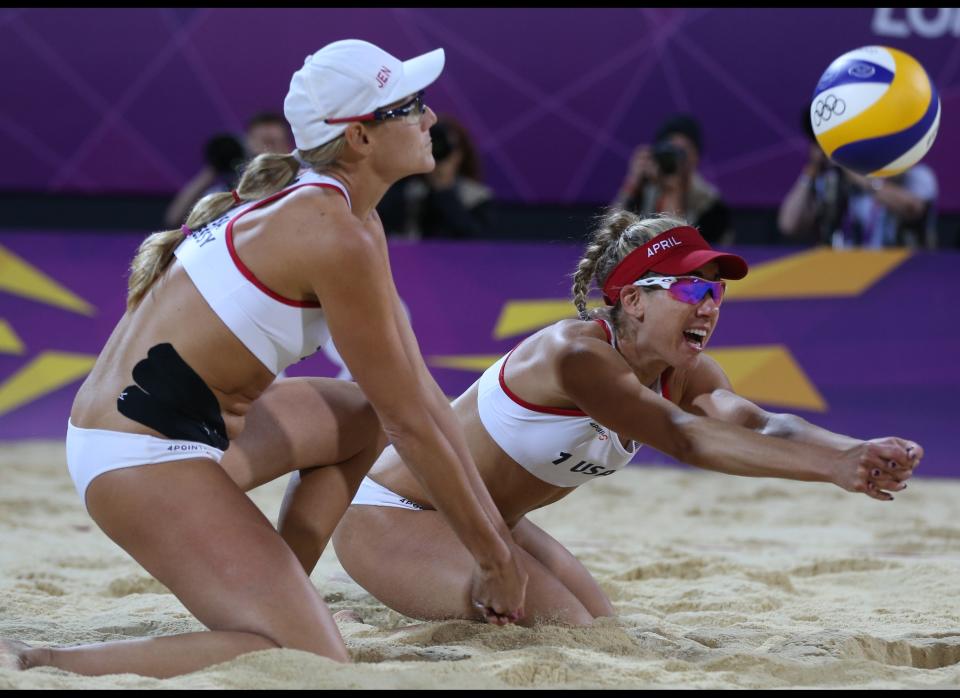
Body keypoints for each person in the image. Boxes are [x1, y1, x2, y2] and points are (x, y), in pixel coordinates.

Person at [1, 39, 528, 678]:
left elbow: (416, 397)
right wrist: (495, 559)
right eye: (410, 106)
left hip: (168, 432)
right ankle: (40, 660)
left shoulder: (347, 214)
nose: (432, 119)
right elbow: (412, 422)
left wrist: (493, 547)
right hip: (136, 457)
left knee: (359, 418)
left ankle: (283, 592)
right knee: (307, 657)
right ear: (359, 137)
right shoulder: (329, 230)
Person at [302, 209, 915, 627]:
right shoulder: (575, 357)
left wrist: (855, 449)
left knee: (600, 625)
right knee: (565, 630)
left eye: (717, 293)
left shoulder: (688, 373)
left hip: (489, 522)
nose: (711, 306)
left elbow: (755, 426)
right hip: (399, 514)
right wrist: (830, 468)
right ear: (632, 300)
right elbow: (687, 440)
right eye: (692, 290)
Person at [778, 112, 938, 248]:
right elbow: (789, 225)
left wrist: (854, 172)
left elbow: (912, 208)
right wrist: (812, 170)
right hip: (842, 272)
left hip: (898, 273)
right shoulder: (830, 180)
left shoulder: (918, 175)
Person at [613, 114, 732, 244]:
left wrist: (673, 192)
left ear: (695, 157)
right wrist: (632, 182)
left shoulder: (711, 204)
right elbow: (610, 236)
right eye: (669, 151)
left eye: (682, 151)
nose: (675, 159)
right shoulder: (644, 191)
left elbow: (679, 250)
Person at [163, 112, 295, 229]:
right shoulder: (227, 192)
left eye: (271, 142)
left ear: (288, 147)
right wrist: (216, 166)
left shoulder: (299, 185)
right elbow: (175, 219)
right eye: (259, 142)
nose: (264, 150)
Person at [378, 114, 494, 239]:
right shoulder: (401, 189)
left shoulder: (477, 196)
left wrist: (443, 189)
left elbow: (479, 242)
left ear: (459, 155)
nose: (437, 151)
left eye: (446, 147)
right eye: (431, 145)